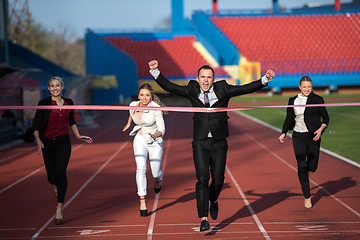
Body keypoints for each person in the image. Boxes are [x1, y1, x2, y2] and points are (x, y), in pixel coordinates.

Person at [148, 60, 275, 231]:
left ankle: (214, 199)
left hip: (219, 141)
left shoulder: (224, 89)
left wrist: (264, 80)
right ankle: (203, 218)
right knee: (202, 179)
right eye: (203, 77)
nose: (206, 81)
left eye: (209, 77)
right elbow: (170, 87)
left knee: (218, 180)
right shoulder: (192, 89)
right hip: (200, 142)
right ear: (197, 78)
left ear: (213, 79)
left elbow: (245, 88)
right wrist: (156, 71)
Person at [32, 76, 92, 225]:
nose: (55, 88)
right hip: (47, 143)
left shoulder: (68, 103)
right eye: (52, 86)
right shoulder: (43, 103)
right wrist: (38, 141)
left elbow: (72, 121)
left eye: (57, 85)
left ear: (62, 87)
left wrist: (78, 136)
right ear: (48, 88)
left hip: (63, 142)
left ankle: (59, 208)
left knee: (61, 173)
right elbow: (36, 126)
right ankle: (55, 184)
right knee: (51, 176)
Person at [279, 76, 329, 209]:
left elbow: (326, 118)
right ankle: (307, 197)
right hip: (298, 137)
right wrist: (284, 132)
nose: (307, 89)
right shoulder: (293, 100)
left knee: (312, 167)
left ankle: (307, 170)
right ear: (299, 87)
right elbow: (289, 118)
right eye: (304, 87)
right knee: (301, 166)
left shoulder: (317, 99)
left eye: (309, 87)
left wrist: (320, 130)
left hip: (313, 137)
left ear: (312, 87)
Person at [123, 83, 166, 217]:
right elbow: (131, 113)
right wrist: (129, 123)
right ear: (138, 95)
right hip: (140, 138)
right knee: (140, 168)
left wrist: (156, 135)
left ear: (151, 96)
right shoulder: (132, 104)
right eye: (142, 95)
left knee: (155, 173)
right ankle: (142, 200)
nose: (144, 98)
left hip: (154, 139)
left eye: (147, 95)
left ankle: (158, 181)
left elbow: (162, 128)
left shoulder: (156, 108)